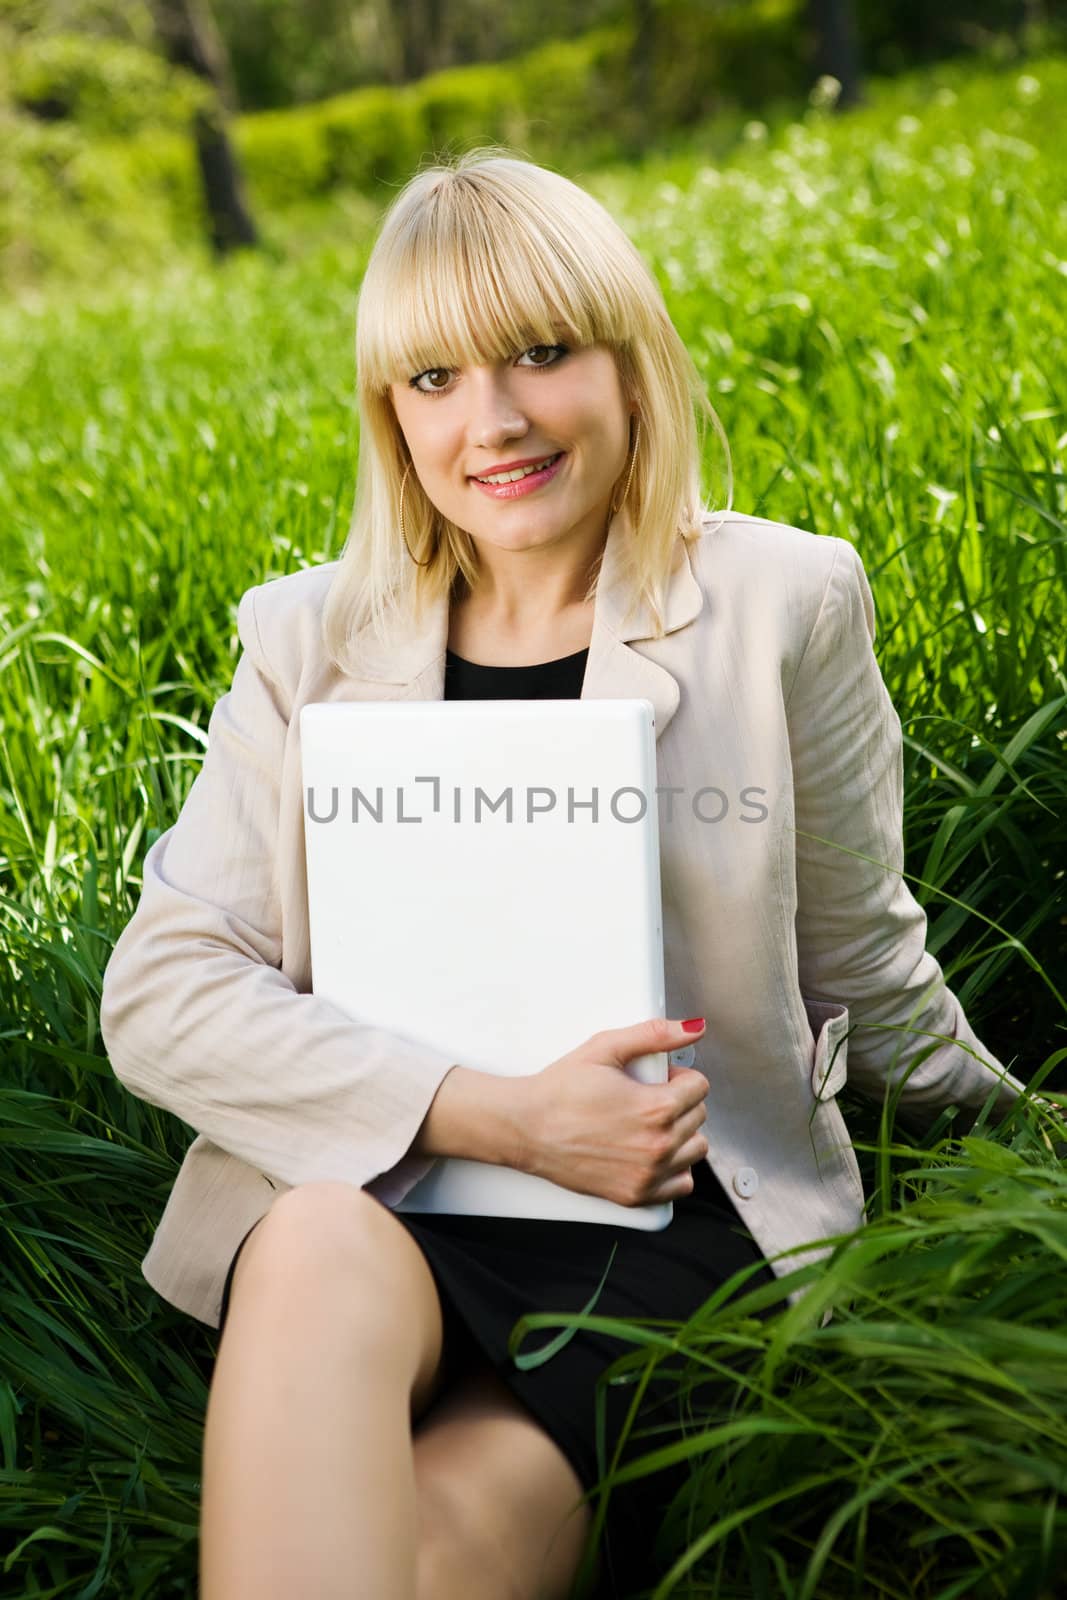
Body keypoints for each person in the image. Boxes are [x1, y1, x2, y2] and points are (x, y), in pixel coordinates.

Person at [98, 148, 1028, 1600]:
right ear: (388, 414)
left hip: (664, 1226)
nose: (495, 420)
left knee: (430, 1555)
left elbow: (864, 965)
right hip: (383, 1193)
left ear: (631, 361)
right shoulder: (305, 645)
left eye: (541, 353)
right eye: (434, 380)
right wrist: (502, 1118)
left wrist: (1023, 1153)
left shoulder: (780, 603)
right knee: (308, 1248)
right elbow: (158, 992)